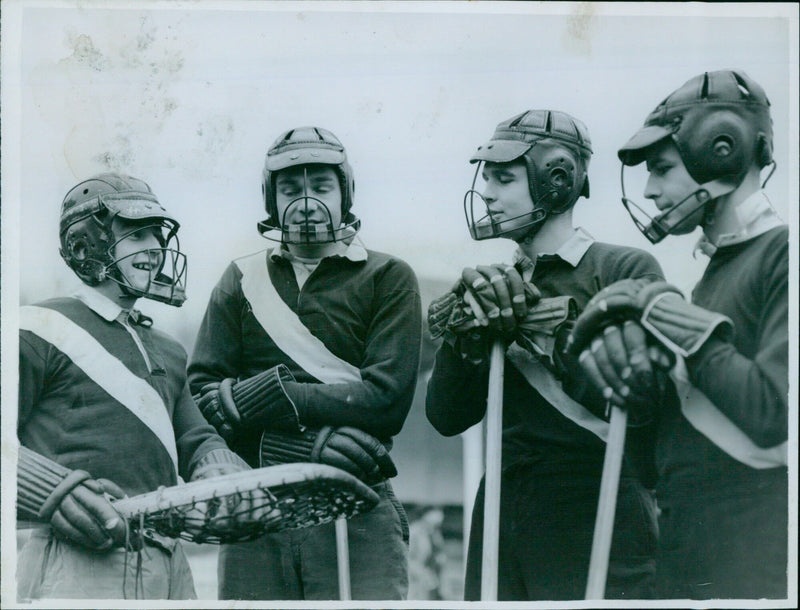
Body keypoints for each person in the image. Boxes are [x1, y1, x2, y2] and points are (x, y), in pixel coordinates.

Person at [425, 110, 664, 600]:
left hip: (594, 501)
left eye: (504, 177)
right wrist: (464, 337)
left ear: (555, 180)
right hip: (501, 506)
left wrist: (552, 331)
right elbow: (446, 417)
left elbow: (647, 408)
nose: (487, 191)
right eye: (486, 176)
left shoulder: (623, 267)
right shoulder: (486, 283)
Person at [570, 69, 789, 599]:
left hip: (757, 545)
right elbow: (660, 467)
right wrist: (641, 398)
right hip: (686, 544)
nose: (650, 188)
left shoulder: (784, 253)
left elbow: (774, 415)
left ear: (721, 150)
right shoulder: (711, 275)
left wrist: (665, 314)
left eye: (662, 169)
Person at [188, 126, 422, 600]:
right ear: (271, 201)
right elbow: (204, 399)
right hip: (258, 507)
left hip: (356, 497)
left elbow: (385, 402)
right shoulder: (240, 279)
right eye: (290, 190)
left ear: (345, 194)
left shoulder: (389, 275)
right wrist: (295, 448)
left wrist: (261, 396)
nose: (307, 201)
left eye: (321, 187)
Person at [17, 173, 252, 600]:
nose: (155, 248)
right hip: (77, 555)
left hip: (167, 555)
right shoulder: (35, 328)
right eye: (136, 234)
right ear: (87, 245)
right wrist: (49, 489)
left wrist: (216, 463)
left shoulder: (167, 347)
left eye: (157, 234)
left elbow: (194, 435)